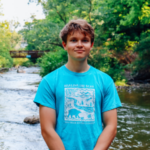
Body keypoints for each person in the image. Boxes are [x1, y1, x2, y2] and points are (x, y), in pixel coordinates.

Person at [34, 19, 122, 150]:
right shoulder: (49, 82)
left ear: (91, 45)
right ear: (64, 44)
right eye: (74, 40)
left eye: (85, 40)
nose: (79, 44)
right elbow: (47, 129)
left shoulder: (105, 81)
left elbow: (111, 126)